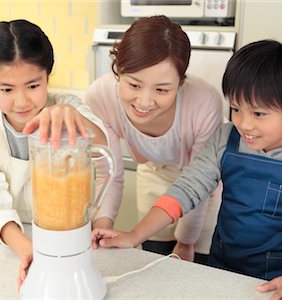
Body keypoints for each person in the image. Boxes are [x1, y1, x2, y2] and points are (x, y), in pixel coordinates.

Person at [92, 39, 282, 299]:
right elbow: (187, 189)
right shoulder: (225, 137)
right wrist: (134, 235)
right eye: (236, 109)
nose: (243, 124)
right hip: (224, 268)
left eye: (258, 114)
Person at [0, 19, 107, 287]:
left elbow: (103, 146)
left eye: (33, 86)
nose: (21, 101)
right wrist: (28, 249)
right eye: (6, 89)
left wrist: (74, 117)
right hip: (13, 240)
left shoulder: (68, 108)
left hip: (73, 239)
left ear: (47, 77)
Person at [85, 15, 224, 262]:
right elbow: (109, 171)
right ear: (118, 70)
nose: (145, 102)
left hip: (204, 186)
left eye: (162, 90)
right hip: (154, 172)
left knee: (197, 265)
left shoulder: (205, 102)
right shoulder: (100, 96)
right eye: (134, 85)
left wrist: (186, 241)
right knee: (154, 256)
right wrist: (102, 226)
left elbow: (199, 182)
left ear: (181, 82)